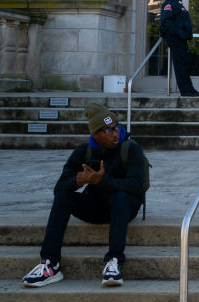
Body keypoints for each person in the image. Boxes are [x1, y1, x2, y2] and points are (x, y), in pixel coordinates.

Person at [21, 103, 146, 289]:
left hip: (125, 208)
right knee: (64, 196)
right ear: (96, 135)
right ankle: (50, 264)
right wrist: (77, 181)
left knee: (119, 197)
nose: (115, 133)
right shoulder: (84, 152)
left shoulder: (131, 149)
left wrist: (102, 181)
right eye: (108, 130)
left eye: (116, 127)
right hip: (96, 208)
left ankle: (114, 261)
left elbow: (138, 186)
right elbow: (59, 188)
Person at [160, 0, 199, 96]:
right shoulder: (169, 4)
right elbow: (166, 22)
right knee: (180, 65)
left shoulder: (178, 4)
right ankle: (185, 90)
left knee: (185, 64)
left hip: (181, 39)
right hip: (175, 39)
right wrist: (179, 32)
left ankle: (189, 88)